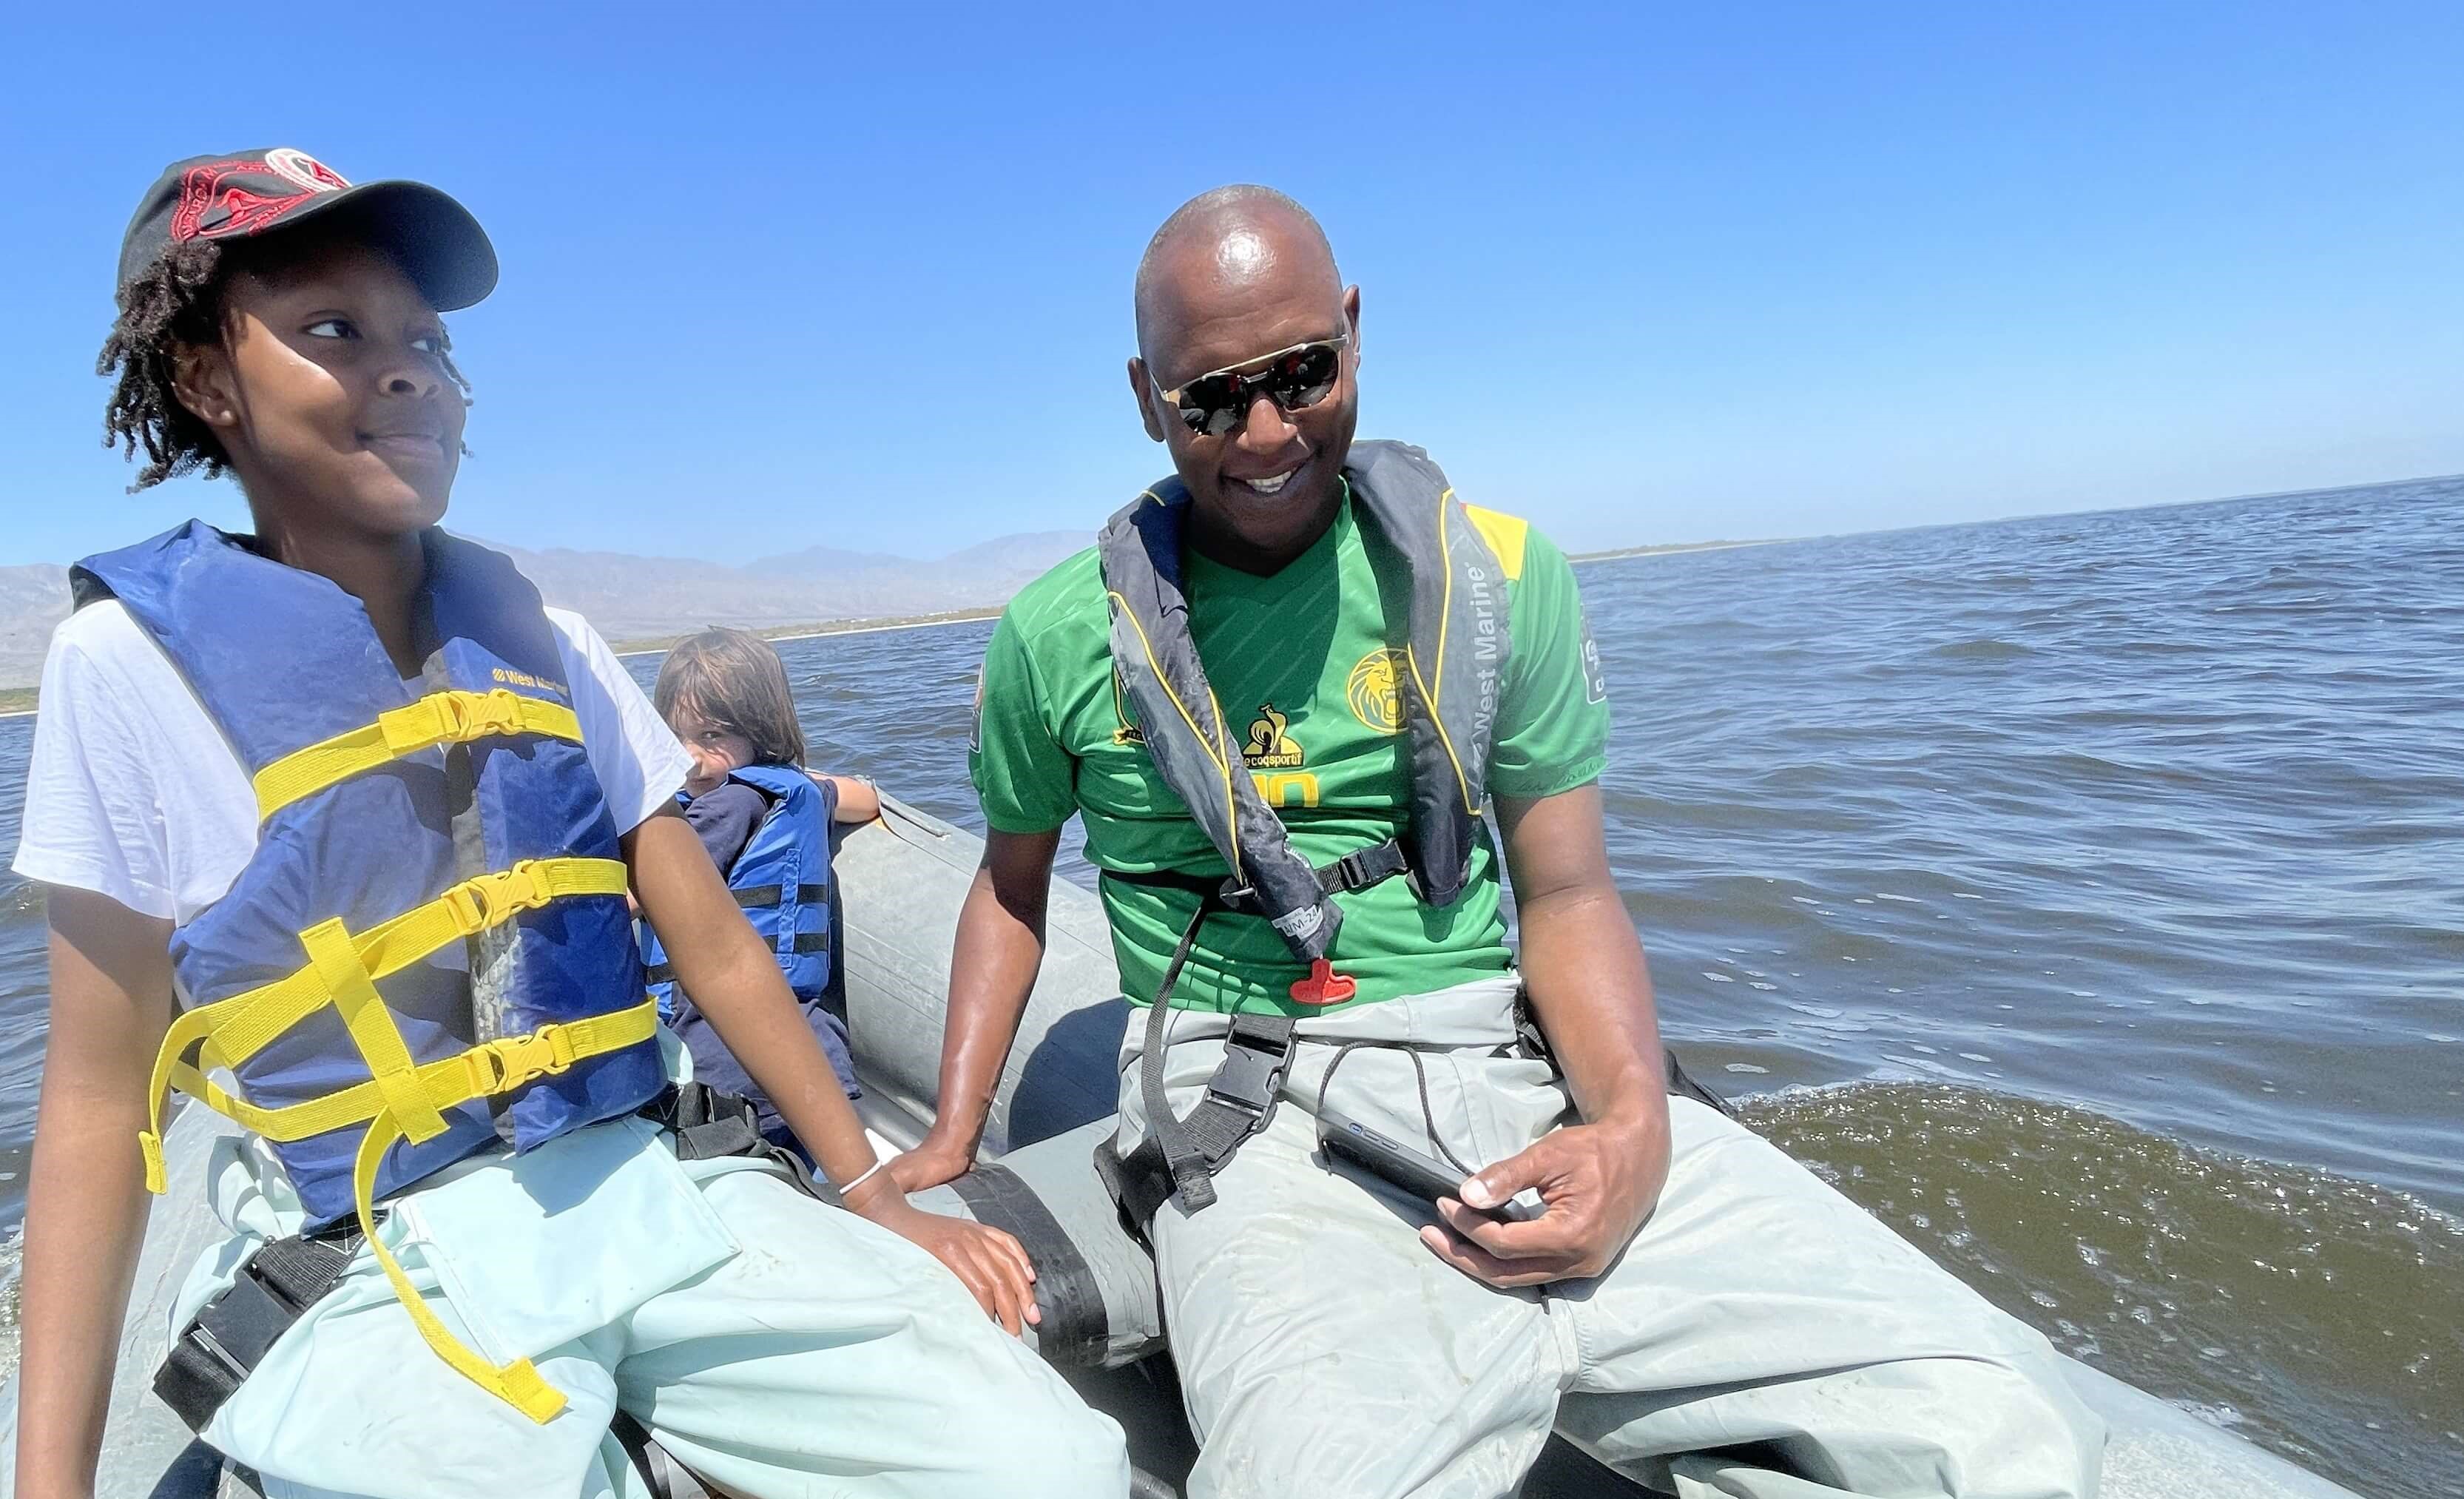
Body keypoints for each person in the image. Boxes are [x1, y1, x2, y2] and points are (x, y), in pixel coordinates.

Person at [890, 184, 2105, 1498]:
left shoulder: (1506, 578)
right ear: (1145, 395)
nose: (1263, 431)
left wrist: (1633, 1125)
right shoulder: (1056, 636)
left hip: (1504, 1060)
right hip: (1248, 1111)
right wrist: (950, 1134)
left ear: (1352, 332)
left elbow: (1570, 893)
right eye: (1210, 399)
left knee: (2008, 1420)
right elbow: (1012, 896)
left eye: (1301, 372)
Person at [9, 149, 1126, 1499]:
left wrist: (866, 1182)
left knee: (1045, 1459)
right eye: (333, 331)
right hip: (373, 1254)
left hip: (640, 1189)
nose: (407, 368)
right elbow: (91, 1095)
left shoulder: (554, 641)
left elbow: (714, 949)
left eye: (424, 338)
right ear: (202, 378)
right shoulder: (127, 668)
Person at [647, 627, 877, 1152]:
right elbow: (863, 799)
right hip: (810, 1051)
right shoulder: (795, 791)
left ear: (760, 729)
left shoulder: (724, 806)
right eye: (675, 738)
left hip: (725, 1059)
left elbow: (644, 894)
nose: (691, 759)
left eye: (711, 737)